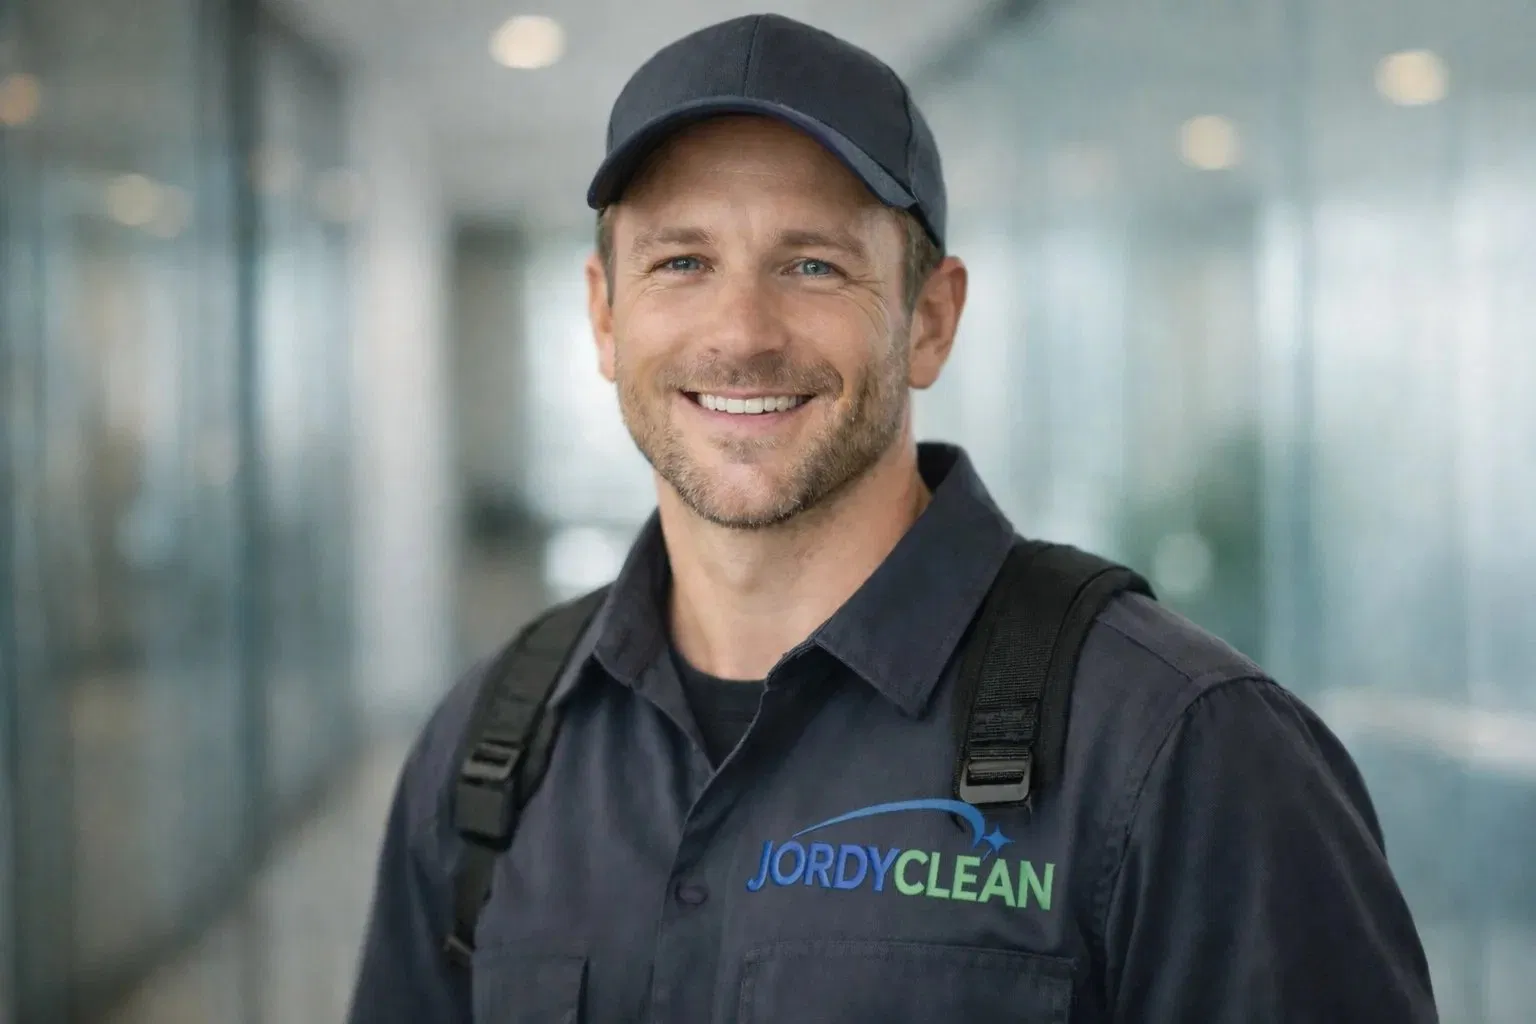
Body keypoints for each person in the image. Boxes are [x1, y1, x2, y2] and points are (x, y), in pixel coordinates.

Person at [347, 13, 1438, 1023]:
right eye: (682, 262)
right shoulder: (490, 750)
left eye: (813, 264)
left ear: (930, 318)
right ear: (604, 315)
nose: (742, 330)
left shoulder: (1183, 754)